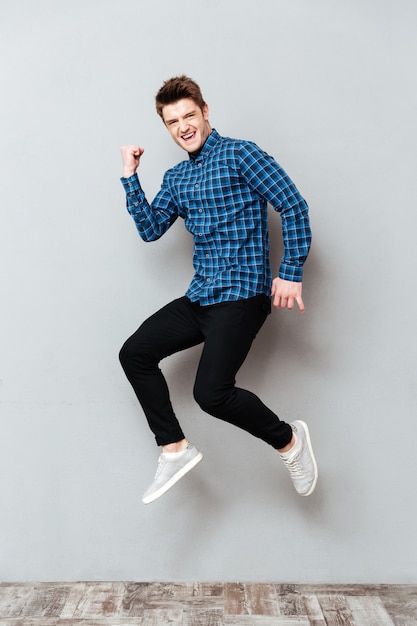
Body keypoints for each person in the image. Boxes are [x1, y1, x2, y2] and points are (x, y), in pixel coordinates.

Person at [119, 75, 318, 505]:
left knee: (210, 393)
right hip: (201, 296)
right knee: (134, 353)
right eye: (173, 122)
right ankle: (174, 449)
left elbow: (293, 205)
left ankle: (289, 442)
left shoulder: (241, 154)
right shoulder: (175, 178)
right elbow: (151, 229)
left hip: (242, 295)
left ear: (205, 112)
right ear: (167, 128)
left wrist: (291, 270)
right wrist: (131, 178)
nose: (183, 126)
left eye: (189, 115)